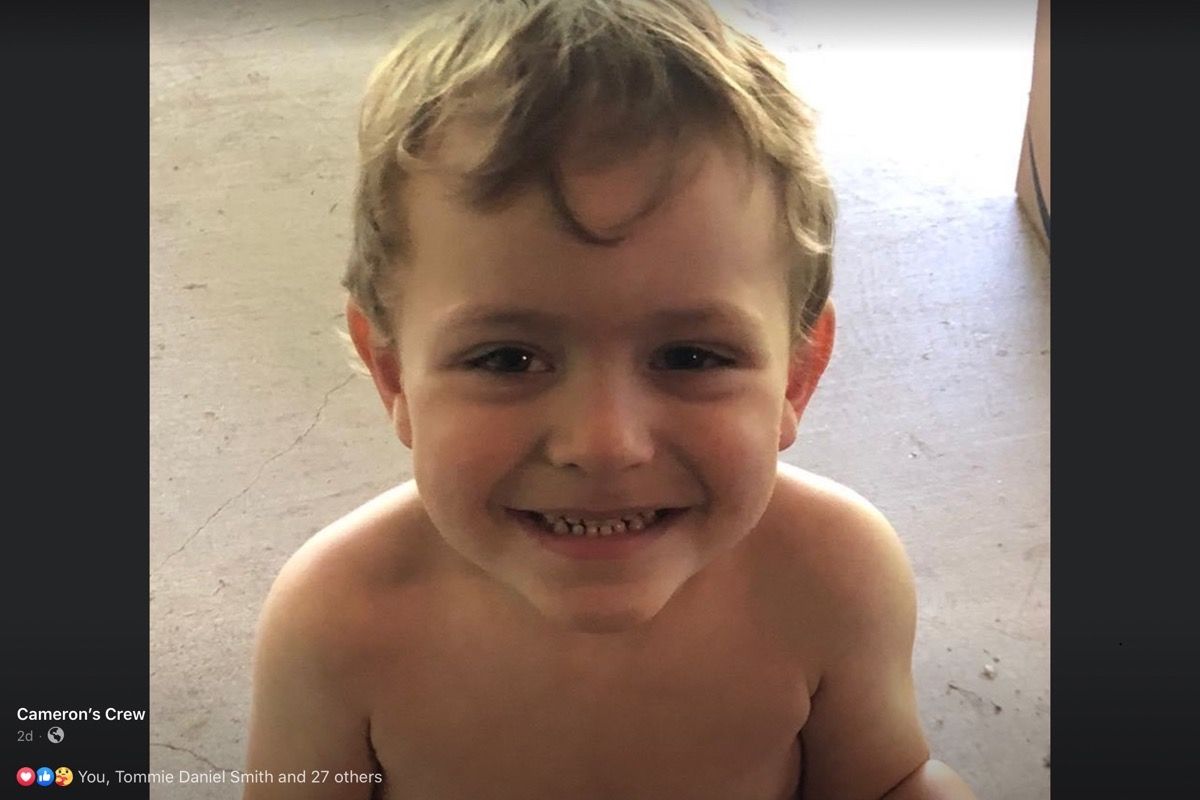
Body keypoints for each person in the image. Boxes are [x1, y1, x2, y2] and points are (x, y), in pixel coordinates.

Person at [243, 1, 977, 797]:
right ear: (394, 376)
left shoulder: (831, 575)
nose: (604, 443)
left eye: (690, 356)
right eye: (507, 359)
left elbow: (886, 781)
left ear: (796, 376)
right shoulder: (338, 619)